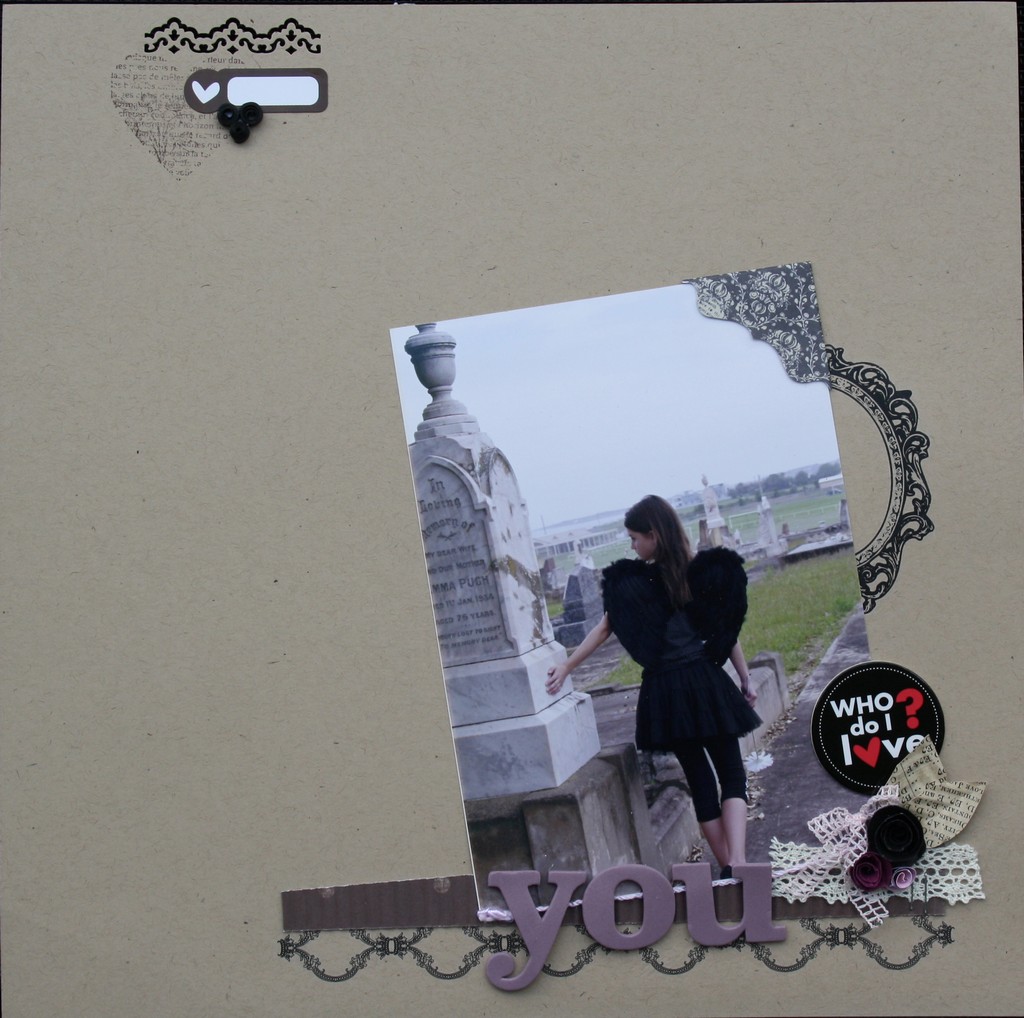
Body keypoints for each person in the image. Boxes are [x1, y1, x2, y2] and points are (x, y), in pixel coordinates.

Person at [545, 494, 761, 878]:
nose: (632, 546)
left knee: (701, 782)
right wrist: (744, 677)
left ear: (653, 535)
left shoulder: (635, 584)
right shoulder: (704, 571)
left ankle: (728, 867)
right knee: (731, 774)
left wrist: (567, 665)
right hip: (707, 686)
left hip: (667, 694)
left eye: (634, 538)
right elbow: (724, 632)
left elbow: (605, 628)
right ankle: (740, 862)